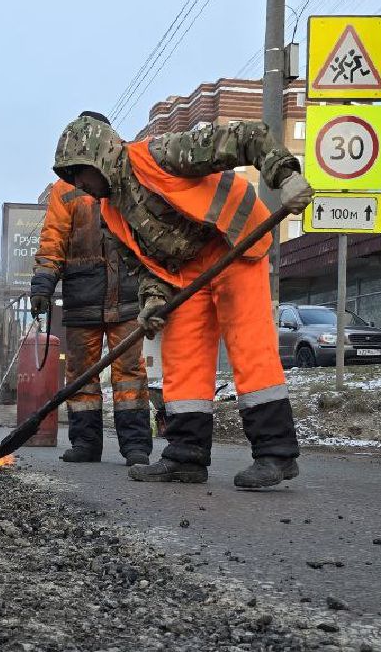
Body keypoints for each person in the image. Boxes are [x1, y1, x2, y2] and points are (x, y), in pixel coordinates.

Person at [50, 115, 314, 488]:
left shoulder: (161, 154)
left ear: (100, 157)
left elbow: (247, 136)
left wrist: (285, 175)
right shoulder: (111, 212)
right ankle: (185, 456)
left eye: (79, 173)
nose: (78, 185)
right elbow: (143, 265)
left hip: (232, 245)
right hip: (187, 272)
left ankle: (276, 454)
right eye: (71, 177)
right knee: (182, 359)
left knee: (249, 348)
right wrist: (153, 300)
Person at [29, 111, 151, 466]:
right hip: (84, 296)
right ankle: (87, 444)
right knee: (82, 373)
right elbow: (53, 240)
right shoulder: (65, 188)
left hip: (126, 294)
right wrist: (42, 286)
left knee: (129, 372)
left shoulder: (127, 173)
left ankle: (136, 447)